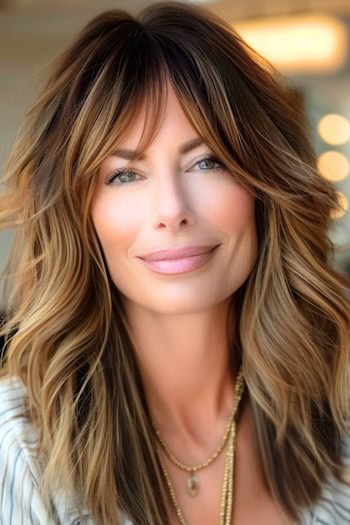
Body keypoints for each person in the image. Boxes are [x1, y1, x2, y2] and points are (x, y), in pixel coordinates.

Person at [0, 1, 349, 524]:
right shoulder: (21, 448)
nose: (171, 211)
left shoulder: (338, 413)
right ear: (79, 211)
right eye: (124, 175)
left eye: (207, 161)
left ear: (263, 185)